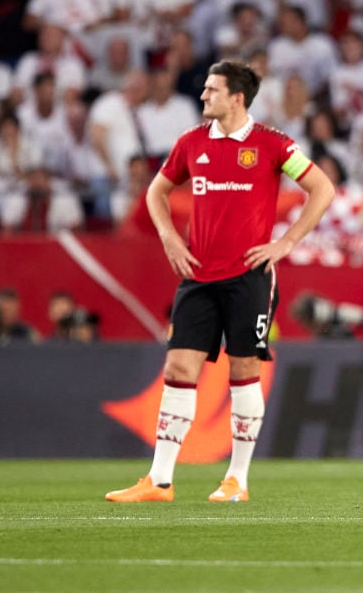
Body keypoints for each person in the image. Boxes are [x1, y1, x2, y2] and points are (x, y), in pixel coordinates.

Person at [105, 60, 335, 503]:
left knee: (244, 370)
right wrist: (170, 238)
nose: (203, 95)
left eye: (212, 90)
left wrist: (285, 242)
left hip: (249, 276)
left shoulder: (273, 144)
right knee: (177, 368)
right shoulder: (191, 143)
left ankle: (237, 480)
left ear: (236, 98)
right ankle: (160, 480)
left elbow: (322, 188)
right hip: (198, 276)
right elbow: (155, 192)